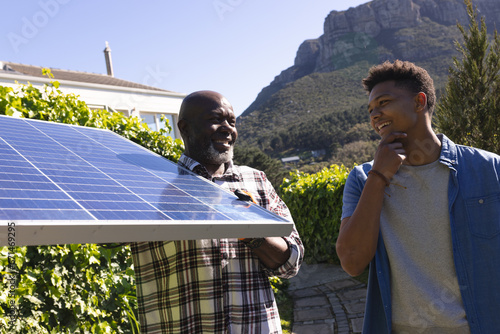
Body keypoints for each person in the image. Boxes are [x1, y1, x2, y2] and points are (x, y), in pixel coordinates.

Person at [336, 60, 500, 333]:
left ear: (419, 102)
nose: (375, 114)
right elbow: (352, 261)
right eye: (370, 109)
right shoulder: (362, 179)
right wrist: (379, 177)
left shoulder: (489, 170)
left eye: (384, 102)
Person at [131, 90, 304, 333]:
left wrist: (251, 229)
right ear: (185, 128)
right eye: (215, 119)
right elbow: (107, 237)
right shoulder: (150, 186)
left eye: (231, 122)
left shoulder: (256, 181)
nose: (227, 128)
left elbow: (291, 263)